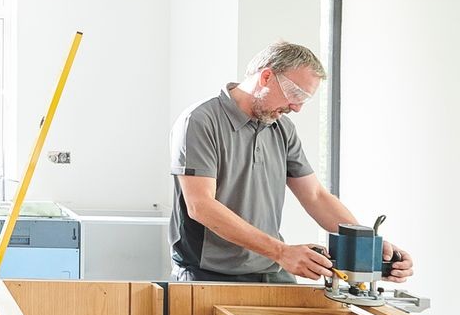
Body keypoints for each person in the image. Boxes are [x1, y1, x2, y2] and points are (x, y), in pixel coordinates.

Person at [170, 41, 413, 284]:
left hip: (270, 271)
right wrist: (282, 252)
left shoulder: (282, 128)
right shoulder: (201, 121)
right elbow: (201, 205)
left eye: (304, 99)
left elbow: (315, 196)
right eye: (295, 94)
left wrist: (367, 247)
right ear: (266, 77)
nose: (296, 107)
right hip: (207, 275)